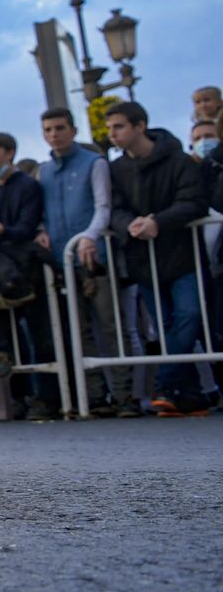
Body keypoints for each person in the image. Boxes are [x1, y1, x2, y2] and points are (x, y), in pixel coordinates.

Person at [106, 101, 211, 416]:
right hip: (143, 259)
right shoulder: (116, 169)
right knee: (164, 326)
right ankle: (188, 396)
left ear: (140, 126)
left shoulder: (178, 160)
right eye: (109, 128)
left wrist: (158, 222)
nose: (112, 134)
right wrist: (130, 225)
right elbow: (114, 209)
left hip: (182, 255)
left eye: (119, 126)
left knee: (189, 315)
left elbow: (193, 201)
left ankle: (165, 384)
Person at [37, 108, 135, 417]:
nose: (54, 134)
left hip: (94, 257)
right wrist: (41, 231)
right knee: (79, 331)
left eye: (59, 128)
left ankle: (125, 395)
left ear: (73, 130)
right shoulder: (44, 171)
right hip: (61, 262)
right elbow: (42, 212)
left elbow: (103, 206)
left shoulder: (94, 163)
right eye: (48, 129)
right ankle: (93, 395)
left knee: (111, 326)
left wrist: (89, 237)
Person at [0, 131, 58, 419]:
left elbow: (26, 227)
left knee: (40, 334)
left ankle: (47, 397)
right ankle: (20, 397)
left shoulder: (28, 186)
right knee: (6, 333)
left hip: (27, 265)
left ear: (10, 153)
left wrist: (2, 231)